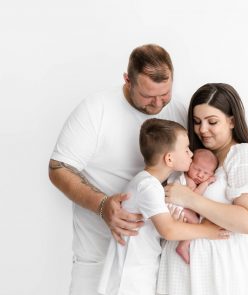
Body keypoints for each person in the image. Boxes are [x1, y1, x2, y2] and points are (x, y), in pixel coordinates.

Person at [48, 44, 187, 295]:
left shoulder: (178, 110)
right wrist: (102, 205)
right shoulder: (96, 109)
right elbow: (58, 167)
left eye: (164, 93)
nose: (158, 103)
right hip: (98, 258)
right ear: (127, 80)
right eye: (148, 95)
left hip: (153, 264)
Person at [157, 83, 248, 295]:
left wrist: (189, 199)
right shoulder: (193, 158)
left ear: (232, 121)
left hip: (221, 275)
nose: (202, 129)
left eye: (212, 122)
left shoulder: (242, 156)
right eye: (196, 122)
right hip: (182, 275)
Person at [97, 118, 229, 295]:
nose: (191, 154)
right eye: (187, 150)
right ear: (169, 158)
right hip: (129, 279)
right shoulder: (148, 186)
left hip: (137, 274)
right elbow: (169, 230)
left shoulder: (148, 184)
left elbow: (157, 228)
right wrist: (208, 230)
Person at [167, 148, 219, 264]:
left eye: (206, 173)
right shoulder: (188, 180)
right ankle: (182, 246)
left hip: (177, 207)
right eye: (197, 169)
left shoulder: (191, 179)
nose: (200, 175)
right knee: (195, 223)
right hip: (175, 207)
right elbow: (194, 197)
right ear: (190, 164)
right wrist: (206, 182)